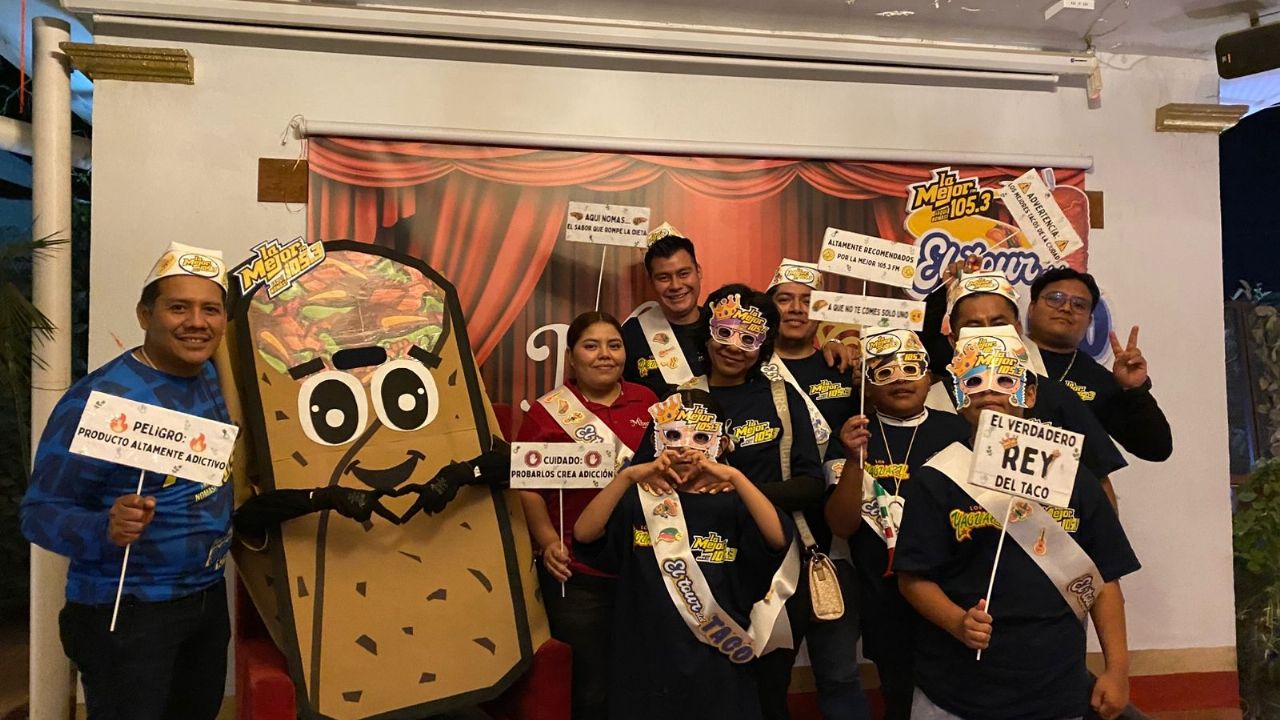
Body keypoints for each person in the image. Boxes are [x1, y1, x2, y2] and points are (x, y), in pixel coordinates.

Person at [21, 242, 234, 720]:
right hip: (129, 610)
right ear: (144, 314)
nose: (196, 322)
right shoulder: (99, 400)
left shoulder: (212, 377)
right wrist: (104, 527)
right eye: (178, 307)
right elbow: (37, 513)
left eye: (210, 309)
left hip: (205, 599)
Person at [894, 327, 1140, 720]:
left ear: (1029, 393)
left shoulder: (1074, 478)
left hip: (1055, 688)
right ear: (958, 395)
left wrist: (1117, 668)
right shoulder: (935, 479)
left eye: (1006, 380)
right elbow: (913, 578)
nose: (989, 392)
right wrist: (957, 622)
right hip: (954, 692)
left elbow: (1104, 577)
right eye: (974, 382)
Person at [630, 284, 823, 720]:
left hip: (772, 564)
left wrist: (740, 492)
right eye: (725, 332)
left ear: (764, 344)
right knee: (697, 690)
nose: (734, 347)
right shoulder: (678, 400)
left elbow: (812, 484)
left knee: (768, 693)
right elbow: (645, 475)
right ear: (708, 332)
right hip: (695, 561)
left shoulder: (782, 398)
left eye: (749, 338)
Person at [573, 389, 793, 720]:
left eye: (701, 437)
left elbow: (777, 538)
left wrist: (736, 477)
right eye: (673, 435)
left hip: (717, 660)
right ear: (657, 439)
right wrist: (629, 476)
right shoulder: (640, 501)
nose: (686, 448)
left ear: (720, 443)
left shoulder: (733, 501)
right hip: (645, 655)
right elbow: (584, 533)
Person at [516, 310, 659, 720]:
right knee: (591, 690)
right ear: (571, 357)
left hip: (646, 562)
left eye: (614, 345)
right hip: (578, 572)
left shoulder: (649, 403)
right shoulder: (547, 411)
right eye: (591, 346)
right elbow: (528, 487)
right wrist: (548, 542)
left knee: (644, 677)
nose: (604, 355)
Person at [824, 329, 971, 720]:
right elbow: (841, 525)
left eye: (911, 368)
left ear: (930, 376)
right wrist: (853, 461)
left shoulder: (959, 431)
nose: (901, 379)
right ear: (867, 384)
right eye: (885, 372)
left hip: (954, 595)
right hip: (884, 603)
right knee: (900, 698)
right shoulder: (852, 434)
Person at [764, 259, 870, 720]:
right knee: (767, 678)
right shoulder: (751, 370)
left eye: (807, 301)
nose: (795, 309)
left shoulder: (842, 368)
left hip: (834, 544)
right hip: (769, 544)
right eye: (784, 299)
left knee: (840, 676)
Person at [924, 265, 1130, 495]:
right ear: (953, 340)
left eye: (999, 324)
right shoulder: (931, 403)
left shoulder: (1057, 397)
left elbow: (1099, 484)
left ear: (1018, 329)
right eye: (973, 326)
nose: (988, 334)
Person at [1026, 266, 1172, 462]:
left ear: (1089, 321)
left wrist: (1135, 390)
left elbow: (1157, 449)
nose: (1066, 308)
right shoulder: (999, 356)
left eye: (1079, 305)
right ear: (1032, 308)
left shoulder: (1097, 379)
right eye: (1055, 298)